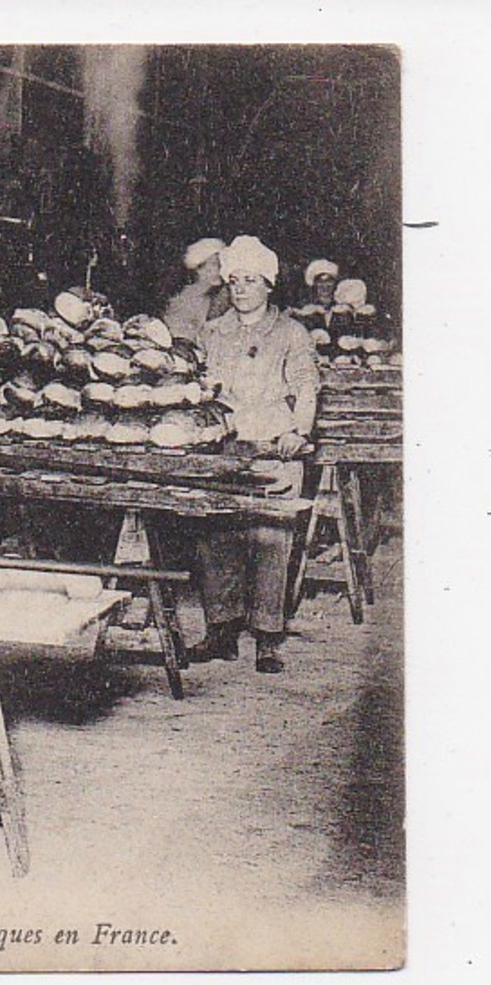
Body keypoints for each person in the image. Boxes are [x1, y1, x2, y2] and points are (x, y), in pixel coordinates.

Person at [191, 234, 319, 674]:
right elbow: (201, 388)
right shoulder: (214, 331)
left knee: (270, 539)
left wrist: (298, 431)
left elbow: (306, 387)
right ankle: (221, 630)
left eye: (251, 280)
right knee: (216, 538)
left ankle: (267, 637)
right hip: (226, 445)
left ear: (268, 284)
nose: (242, 287)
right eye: (236, 280)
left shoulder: (290, 332)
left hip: (273, 446)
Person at [162, 236, 231, 343]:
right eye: (214, 264)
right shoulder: (186, 298)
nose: (221, 268)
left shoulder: (220, 296)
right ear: (199, 268)